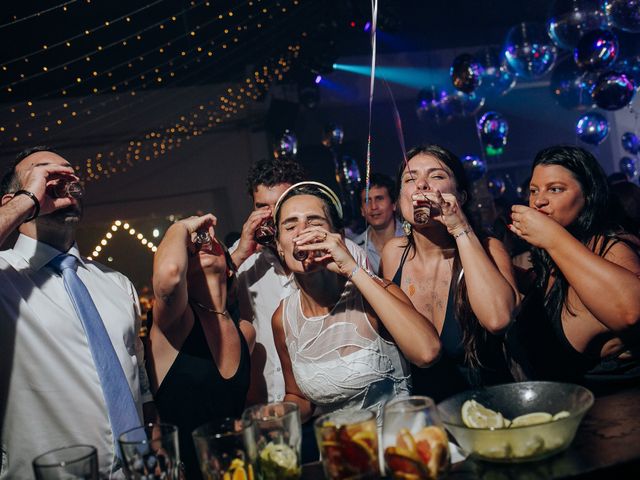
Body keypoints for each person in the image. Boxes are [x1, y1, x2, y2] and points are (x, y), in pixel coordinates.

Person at [0, 146, 153, 479]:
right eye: (44, 173)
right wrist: (29, 199)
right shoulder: (4, 278)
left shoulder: (116, 283)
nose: (62, 180)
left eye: (68, 173)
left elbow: (137, 383)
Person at [272, 181, 441, 425]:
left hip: (399, 450)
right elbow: (299, 397)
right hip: (340, 455)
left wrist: (351, 268)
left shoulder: (372, 292)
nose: (302, 232)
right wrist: (278, 414)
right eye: (290, 226)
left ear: (338, 237)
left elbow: (428, 352)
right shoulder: (283, 318)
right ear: (279, 246)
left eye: (314, 221)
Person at [380, 144, 518, 402]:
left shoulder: (489, 248)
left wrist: (460, 227)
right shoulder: (393, 253)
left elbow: (498, 319)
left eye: (437, 176)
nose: (421, 185)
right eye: (410, 178)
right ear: (399, 200)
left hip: (488, 413)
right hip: (426, 417)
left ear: (461, 196)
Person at [506, 145, 640, 393]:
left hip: (617, 423)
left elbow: (631, 311)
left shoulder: (610, 247)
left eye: (555, 189)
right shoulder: (554, 257)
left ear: (588, 194)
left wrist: (552, 236)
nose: (539, 200)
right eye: (533, 191)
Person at [149, 214, 255, 480]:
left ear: (229, 267)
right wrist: (181, 226)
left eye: (210, 241)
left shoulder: (245, 332)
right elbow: (169, 276)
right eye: (191, 247)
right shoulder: (175, 324)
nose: (201, 244)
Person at [231, 157, 306, 404]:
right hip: (268, 404)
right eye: (262, 206)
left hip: (326, 407)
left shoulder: (332, 249)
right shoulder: (241, 259)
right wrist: (240, 253)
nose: (271, 216)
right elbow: (203, 303)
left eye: (279, 205)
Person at [353, 172, 404, 274]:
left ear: (394, 204)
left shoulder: (413, 238)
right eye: (367, 201)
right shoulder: (355, 248)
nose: (373, 207)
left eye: (379, 198)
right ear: (362, 210)